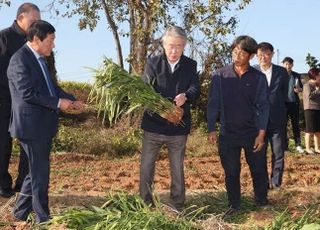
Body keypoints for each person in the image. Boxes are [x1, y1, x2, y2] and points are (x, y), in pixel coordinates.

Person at [7, 20, 85, 223]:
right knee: (41, 174)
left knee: (34, 173)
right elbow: (28, 93)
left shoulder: (41, 59)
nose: (53, 44)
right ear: (36, 39)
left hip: (42, 125)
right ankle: (44, 219)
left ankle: (19, 214)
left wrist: (72, 99)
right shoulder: (19, 60)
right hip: (31, 126)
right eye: (50, 40)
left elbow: (52, 88)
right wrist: (60, 103)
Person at [207, 35, 270, 218]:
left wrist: (261, 134)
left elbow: (264, 105)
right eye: (234, 51)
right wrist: (212, 128)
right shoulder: (220, 75)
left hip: (252, 133)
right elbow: (213, 103)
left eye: (241, 52)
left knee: (258, 169)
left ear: (250, 56)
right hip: (228, 134)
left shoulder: (258, 77)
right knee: (231, 172)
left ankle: (261, 201)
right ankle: (234, 205)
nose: (237, 55)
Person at [139, 25, 200, 211]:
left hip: (178, 129)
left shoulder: (190, 65)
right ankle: (145, 204)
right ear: (163, 45)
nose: (174, 50)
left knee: (177, 169)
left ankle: (177, 205)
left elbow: (195, 89)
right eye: (171, 46)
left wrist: (186, 96)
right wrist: (162, 109)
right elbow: (145, 90)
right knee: (146, 167)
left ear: (184, 46)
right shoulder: (153, 63)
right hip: (153, 126)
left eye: (179, 46)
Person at [0, 3, 41, 197]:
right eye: (33, 21)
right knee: (2, 145)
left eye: (38, 22)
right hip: (4, 102)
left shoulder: (36, 41)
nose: (36, 25)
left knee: (28, 146)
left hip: (29, 104)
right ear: (20, 18)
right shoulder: (4, 38)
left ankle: (23, 186)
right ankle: (2, 185)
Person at [256, 42, 289, 190]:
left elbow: (284, 94)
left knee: (278, 153)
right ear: (256, 56)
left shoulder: (282, 72)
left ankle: (276, 183)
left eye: (267, 54)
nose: (264, 57)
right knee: (259, 155)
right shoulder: (252, 72)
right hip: (258, 122)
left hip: (277, 119)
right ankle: (263, 184)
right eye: (260, 55)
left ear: (272, 55)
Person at [282, 57, 304, 153]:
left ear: (292, 65)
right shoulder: (280, 75)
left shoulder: (296, 75)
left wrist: (299, 90)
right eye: (286, 64)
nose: (288, 66)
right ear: (283, 64)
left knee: (296, 124)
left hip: (294, 103)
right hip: (283, 104)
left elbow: (301, 88)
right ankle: (285, 146)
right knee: (283, 125)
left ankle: (298, 145)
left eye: (290, 64)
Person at [302, 68, 320, 154]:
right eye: (318, 75)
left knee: (317, 130)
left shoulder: (318, 85)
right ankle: (308, 148)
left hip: (317, 109)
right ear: (315, 75)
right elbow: (309, 96)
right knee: (309, 130)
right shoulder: (307, 85)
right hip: (310, 109)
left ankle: (317, 148)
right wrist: (317, 90)